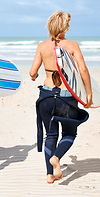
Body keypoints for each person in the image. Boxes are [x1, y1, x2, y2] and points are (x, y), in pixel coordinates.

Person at [29, 11, 92, 184]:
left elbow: (32, 72)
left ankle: (49, 175)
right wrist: (89, 93)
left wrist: (34, 76)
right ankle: (56, 157)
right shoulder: (72, 45)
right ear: (65, 27)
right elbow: (83, 69)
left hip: (46, 96)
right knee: (69, 133)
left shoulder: (42, 46)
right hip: (66, 97)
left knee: (50, 135)